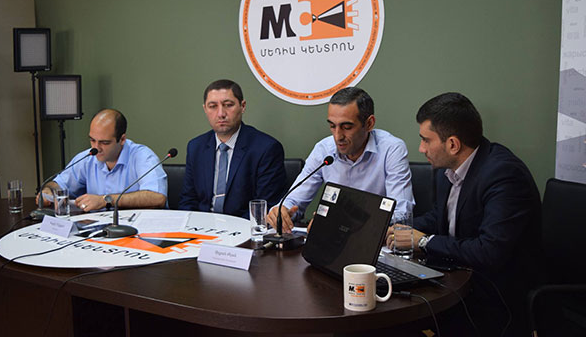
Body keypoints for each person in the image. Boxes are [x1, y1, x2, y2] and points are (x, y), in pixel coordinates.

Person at [386, 92, 542, 336]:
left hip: (494, 299)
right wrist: (399, 230)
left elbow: (489, 251)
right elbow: (439, 217)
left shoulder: (504, 175)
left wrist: (424, 241)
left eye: (426, 140)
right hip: (457, 281)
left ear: (452, 144)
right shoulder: (449, 168)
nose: (421, 148)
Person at [268, 87, 415, 232]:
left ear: (369, 124)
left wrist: (339, 221)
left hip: (373, 240)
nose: (338, 136)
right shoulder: (324, 150)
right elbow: (294, 200)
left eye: (347, 127)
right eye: (332, 126)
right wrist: (283, 211)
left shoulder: (391, 149)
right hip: (332, 242)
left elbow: (402, 214)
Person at [177, 79, 287, 218]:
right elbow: (188, 201)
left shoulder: (266, 148)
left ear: (242, 106)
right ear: (205, 109)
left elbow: (264, 206)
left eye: (228, 105)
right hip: (202, 227)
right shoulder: (196, 147)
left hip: (244, 227)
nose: (221, 114)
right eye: (213, 106)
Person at [39, 109, 167, 211]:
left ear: (122, 139)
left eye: (104, 142)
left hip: (139, 229)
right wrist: (48, 191)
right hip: (98, 229)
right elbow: (58, 184)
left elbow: (157, 197)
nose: (96, 148)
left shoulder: (143, 157)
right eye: (92, 140)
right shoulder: (87, 158)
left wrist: (106, 200)